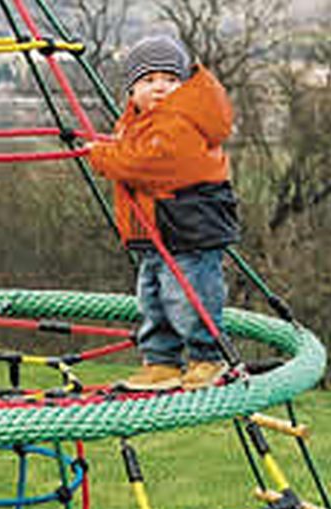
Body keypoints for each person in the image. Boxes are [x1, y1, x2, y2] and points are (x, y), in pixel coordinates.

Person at [88, 34, 239, 390]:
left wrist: (102, 156)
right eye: (149, 80)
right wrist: (111, 150)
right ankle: (161, 361)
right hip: (156, 231)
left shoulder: (180, 122)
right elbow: (135, 156)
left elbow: (148, 165)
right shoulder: (137, 123)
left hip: (188, 229)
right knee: (152, 299)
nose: (160, 88)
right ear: (131, 90)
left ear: (184, 86)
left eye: (171, 80)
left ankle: (207, 357)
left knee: (191, 295)